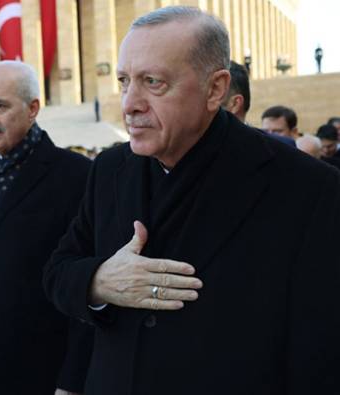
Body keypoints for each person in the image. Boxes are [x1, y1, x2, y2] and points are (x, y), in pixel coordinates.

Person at [43, 7, 340, 394]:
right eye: (124, 81)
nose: (129, 103)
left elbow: (319, 357)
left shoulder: (307, 188)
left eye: (153, 82)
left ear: (215, 88)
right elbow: (57, 271)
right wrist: (99, 281)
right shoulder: (109, 170)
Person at [0, 61, 94, 394]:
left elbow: (85, 282)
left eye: (0, 105)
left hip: (38, 368)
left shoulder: (76, 176)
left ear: (33, 109)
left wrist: (72, 379)